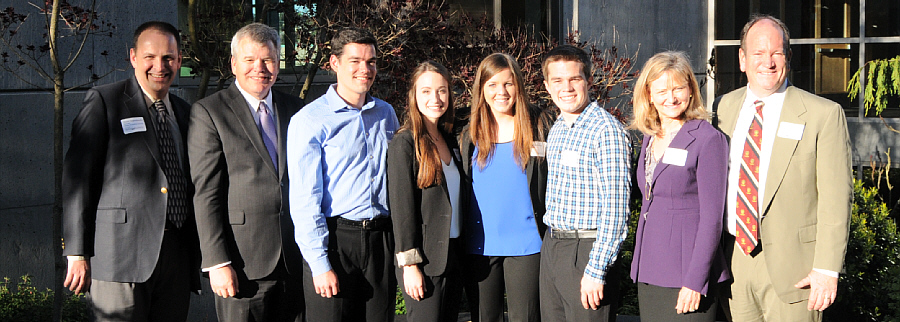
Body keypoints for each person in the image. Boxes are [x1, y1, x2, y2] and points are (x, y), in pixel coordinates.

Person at [715, 14, 852, 322]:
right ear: (742, 59)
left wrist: (827, 270)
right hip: (734, 259)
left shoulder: (823, 115)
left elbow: (836, 199)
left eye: (776, 53)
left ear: (788, 57)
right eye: (758, 53)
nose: (768, 62)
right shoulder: (722, 108)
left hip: (797, 269)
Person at [61, 21, 201, 321]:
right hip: (119, 257)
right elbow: (78, 180)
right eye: (150, 57)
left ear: (179, 61)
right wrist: (77, 252)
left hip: (175, 256)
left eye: (168, 58)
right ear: (134, 57)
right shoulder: (105, 101)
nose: (159, 66)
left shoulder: (185, 111)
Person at [188, 22, 304, 322]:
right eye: (250, 60)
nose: (260, 68)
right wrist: (217, 262)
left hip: (296, 259)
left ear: (278, 64)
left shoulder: (297, 109)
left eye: (268, 60)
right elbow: (206, 193)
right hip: (242, 263)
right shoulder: (210, 112)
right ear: (233, 64)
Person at [288, 27, 399, 322]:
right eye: (355, 61)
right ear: (335, 63)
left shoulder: (386, 114)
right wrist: (319, 263)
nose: (365, 69)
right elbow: (304, 198)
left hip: (381, 240)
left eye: (371, 61)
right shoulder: (309, 120)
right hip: (336, 241)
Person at [628, 51, 730, 322]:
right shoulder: (650, 137)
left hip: (688, 274)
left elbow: (712, 220)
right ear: (648, 94)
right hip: (650, 267)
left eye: (678, 89)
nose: (670, 98)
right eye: (661, 90)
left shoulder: (708, 139)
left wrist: (695, 281)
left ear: (691, 90)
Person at [539, 44, 631, 322]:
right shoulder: (556, 128)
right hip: (553, 245)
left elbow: (616, 210)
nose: (566, 87)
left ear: (589, 81)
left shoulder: (606, 131)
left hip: (587, 252)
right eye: (557, 80)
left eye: (574, 79)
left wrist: (596, 270)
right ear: (546, 85)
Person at [460, 53, 551, 322]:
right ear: (482, 89)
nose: (501, 92)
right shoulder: (466, 130)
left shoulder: (540, 125)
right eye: (493, 85)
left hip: (528, 245)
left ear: (518, 85)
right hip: (479, 246)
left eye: (508, 84)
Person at [387, 60, 465, 322]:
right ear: (414, 96)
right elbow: (402, 210)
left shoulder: (451, 138)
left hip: (453, 254)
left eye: (442, 90)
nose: (436, 98)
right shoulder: (405, 143)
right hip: (424, 260)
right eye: (426, 91)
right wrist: (410, 265)